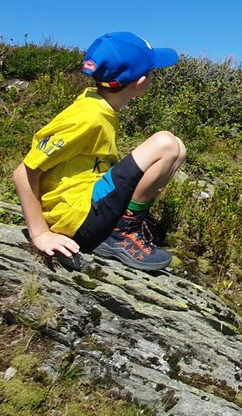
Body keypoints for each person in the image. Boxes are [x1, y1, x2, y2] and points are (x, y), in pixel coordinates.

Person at [12, 32, 186, 271]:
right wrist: (40, 233)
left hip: (89, 201)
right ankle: (121, 232)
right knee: (165, 144)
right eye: (153, 71)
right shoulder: (87, 117)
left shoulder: (99, 106)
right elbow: (23, 173)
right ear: (140, 82)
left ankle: (127, 222)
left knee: (178, 147)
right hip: (77, 218)